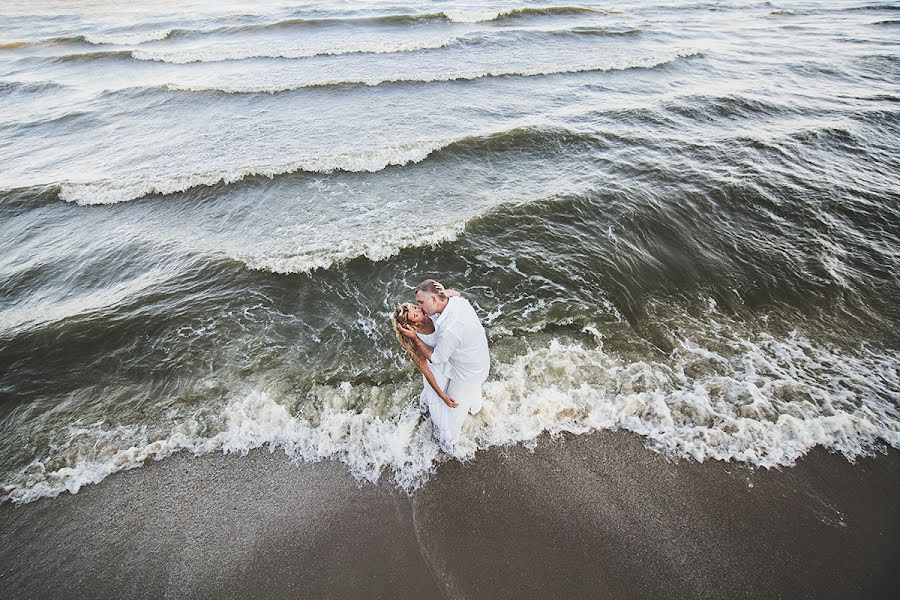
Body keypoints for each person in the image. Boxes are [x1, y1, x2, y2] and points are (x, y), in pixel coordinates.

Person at [398, 279, 490, 422]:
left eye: (420, 303)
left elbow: (438, 358)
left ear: (434, 299)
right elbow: (457, 294)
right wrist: (444, 293)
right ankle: (433, 412)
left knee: (454, 406)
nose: (419, 307)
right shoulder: (458, 304)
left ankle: (452, 430)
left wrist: (416, 338)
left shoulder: (446, 327)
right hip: (468, 363)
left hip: (462, 370)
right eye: (416, 308)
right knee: (438, 402)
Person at [391, 300, 467, 452]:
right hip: (436, 375)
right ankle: (446, 445)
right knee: (441, 415)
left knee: (456, 396)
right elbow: (426, 371)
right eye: (414, 313)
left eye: (414, 306)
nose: (418, 309)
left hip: (449, 366)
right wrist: (442, 395)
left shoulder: (432, 316)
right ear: (411, 326)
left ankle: (426, 407)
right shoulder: (416, 340)